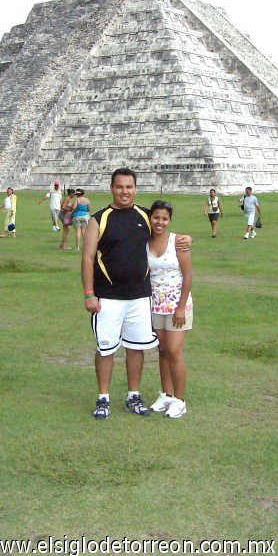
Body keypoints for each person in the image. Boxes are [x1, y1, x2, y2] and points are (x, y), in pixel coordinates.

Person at [81, 168, 192, 419]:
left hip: (141, 297)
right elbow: (87, 258)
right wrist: (89, 293)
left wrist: (186, 239)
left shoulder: (144, 215)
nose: (124, 192)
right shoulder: (99, 219)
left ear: (135, 189)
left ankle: (133, 395)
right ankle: (103, 398)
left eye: (129, 187)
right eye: (119, 187)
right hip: (108, 297)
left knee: (136, 347)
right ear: (111, 188)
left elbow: (164, 233)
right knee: (106, 348)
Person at [148, 200, 193, 419]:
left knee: (174, 351)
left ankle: (179, 399)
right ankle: (166, 394)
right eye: (156, 217)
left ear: (170, 220)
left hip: (177, 303)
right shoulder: (144, 242)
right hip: (155, 302)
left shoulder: (178, 242)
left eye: (164, 218)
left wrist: (181, 307)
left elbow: (188, 275)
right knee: (163, 350)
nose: (160, 222)